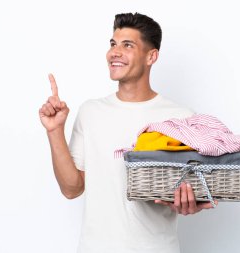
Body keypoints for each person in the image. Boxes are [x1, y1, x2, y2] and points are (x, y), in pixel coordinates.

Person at [39, 12, 217, 253]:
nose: (115, 52)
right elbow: (72, 189)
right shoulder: (91, 112)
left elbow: (193, 187)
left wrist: (191, 202)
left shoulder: (181, 116)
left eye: (127, 45)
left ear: (151, 56)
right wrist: (55, 130)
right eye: (113, 44)